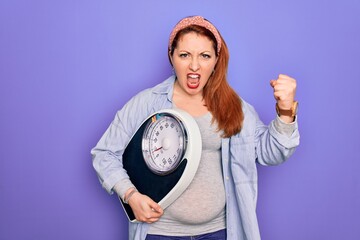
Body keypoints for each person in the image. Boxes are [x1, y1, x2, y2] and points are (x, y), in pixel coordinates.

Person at [91, 15, 300, 240]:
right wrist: (130, 195)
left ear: (216, 60)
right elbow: (104, 154)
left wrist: (286, 111)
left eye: (205, 56)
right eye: (184, 55)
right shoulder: (146, 103)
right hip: (160, 233)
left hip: (220, 232)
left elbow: (271, 153)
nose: (194, 65)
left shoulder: (233, 106)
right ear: (171, 57)